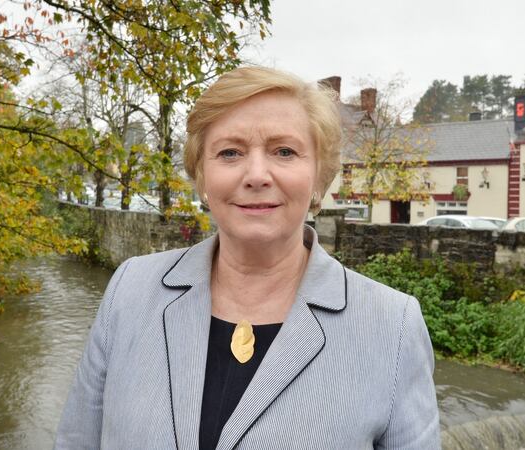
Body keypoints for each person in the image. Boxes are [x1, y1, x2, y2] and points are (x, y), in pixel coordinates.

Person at [55, 66, 440, 449]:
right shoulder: (130, 290)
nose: (257, 175)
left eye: (284, 151)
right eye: (230, 152)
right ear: (202, 176)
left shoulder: (393, 327)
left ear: (319, 177)